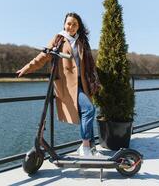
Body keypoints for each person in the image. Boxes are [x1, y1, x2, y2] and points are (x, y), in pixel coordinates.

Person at [16, 12, 98, 156]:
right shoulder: (59, 39)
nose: (71, 27)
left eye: (74, 24)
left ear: (78, 27)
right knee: (89, 110)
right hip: (67, 85)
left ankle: (91, 148)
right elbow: (43, 56)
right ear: (64, 24)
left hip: (83, 83)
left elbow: (89, 64)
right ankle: (85, 146)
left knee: (87, 112)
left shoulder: (81, 42)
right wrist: (27, 68)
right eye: (69, 23)